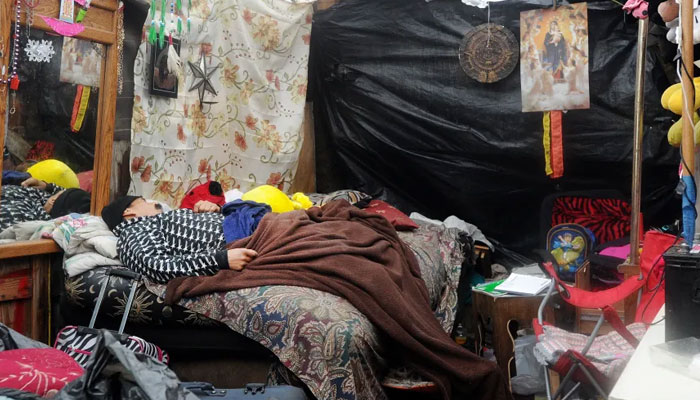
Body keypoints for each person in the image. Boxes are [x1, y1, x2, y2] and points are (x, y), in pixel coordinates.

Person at [101, 195, 258, 283]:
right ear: (128, 212)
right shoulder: (132, 233)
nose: (153, 201)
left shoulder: (162, 220)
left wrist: (215, 210)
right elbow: (158, 266)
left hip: (248, 225)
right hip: (244, 241)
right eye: (144, 201)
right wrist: (221, 259)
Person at [0, 177, 91, 231]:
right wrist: (46, 186)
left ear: (53, 201)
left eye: (62, 191)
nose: (60, 189)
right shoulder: (43, 202)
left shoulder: (18, 215)